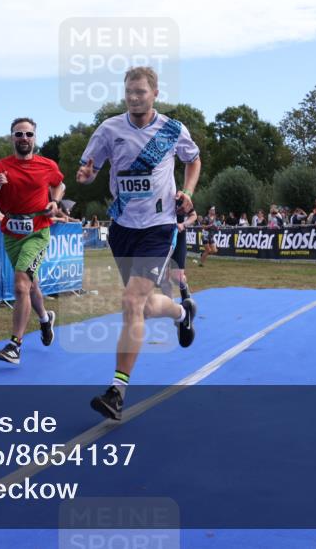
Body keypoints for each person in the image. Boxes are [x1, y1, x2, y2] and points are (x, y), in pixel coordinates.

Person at [76, 67, 200, 421]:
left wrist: (187, 191)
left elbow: (193, 160)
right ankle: (182, 312)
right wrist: (86, 175)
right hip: (122, 228)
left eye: (141, 92)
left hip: (158, 228)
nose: (134, 97)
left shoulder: (173, 130)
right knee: (141, 307)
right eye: (129, 92)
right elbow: (89, 169)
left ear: (155, 93)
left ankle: (117, 391)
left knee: (131, 301)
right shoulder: (109, 129)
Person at [0, 117, 64, 365]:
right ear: (12, 138)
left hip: (37, 231)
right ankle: (45, 319)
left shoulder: (47, 165)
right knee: (30, 285)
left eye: (28, 134)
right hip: (11, 233)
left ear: (35, 138)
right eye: (19, 134)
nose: (24, 138)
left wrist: (54, 201)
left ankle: (15, 345)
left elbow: (59, 185)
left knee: (20, 285)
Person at [160, 198, 198, 302]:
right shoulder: (155, 195)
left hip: (178, 237)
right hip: (161, 239)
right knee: (163, 277)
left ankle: (185, 291)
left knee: (177, 277)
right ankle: (170, 304)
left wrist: (183, 224)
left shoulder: (179, 198)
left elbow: (193, 215)